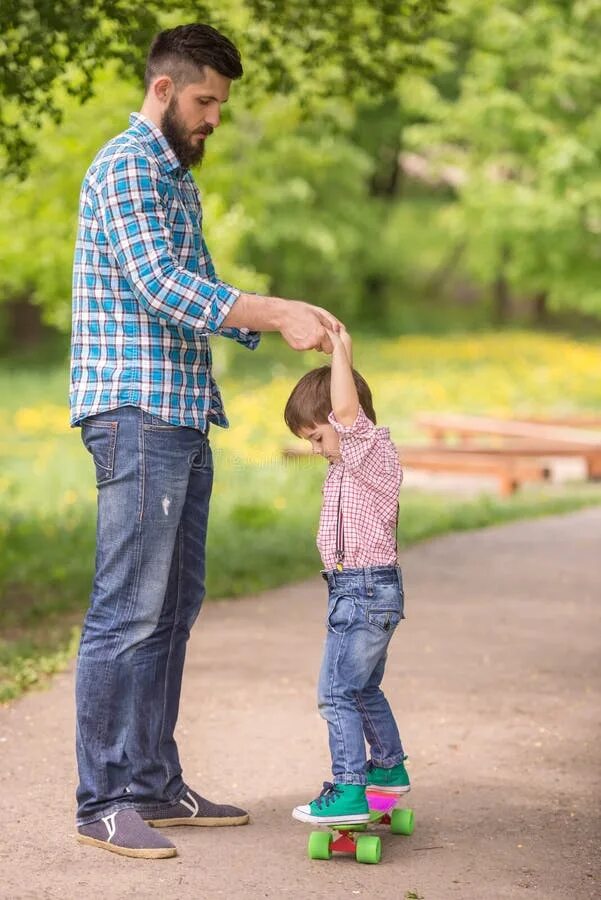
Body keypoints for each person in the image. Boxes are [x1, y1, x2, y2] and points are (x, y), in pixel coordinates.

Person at [70, 23, 342, 860]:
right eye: (204, 101)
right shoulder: (126, 165)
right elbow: (160, 285)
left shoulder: (171, 177)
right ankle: (104, 798)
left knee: (173, 609)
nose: (213, 118)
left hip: (181, 412)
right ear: (164, 89)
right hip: (136, 412)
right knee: (128, 610)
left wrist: (281, 314)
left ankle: (151, 781)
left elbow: (195, 286)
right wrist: (274, 311)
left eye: (220, 103)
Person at [283, 327, 410, 825]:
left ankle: (349, 788)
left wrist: (341, 351)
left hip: (363, 591)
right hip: (358, 591)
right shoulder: (345, 466)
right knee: (361, 689)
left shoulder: (369, 451)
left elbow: (346, 415)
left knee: (336, 693)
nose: (316, 448)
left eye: (317, 436)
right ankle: (389, 769)